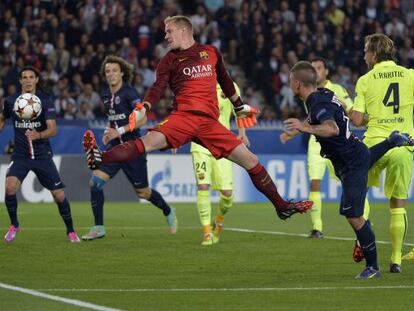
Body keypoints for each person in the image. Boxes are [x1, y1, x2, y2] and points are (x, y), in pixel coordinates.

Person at [82, 15, 313, 222]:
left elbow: (225, 80)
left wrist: (239, 106)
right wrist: (146, 105)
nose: (165, 36)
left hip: (210, 124)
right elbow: (157, 87)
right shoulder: (168, 61)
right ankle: (100, 158)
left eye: (169, 31)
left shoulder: (210, 52)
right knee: (146, 143)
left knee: (251, 160)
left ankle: (281, 206)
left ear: (183, 30)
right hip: (184, 117)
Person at [283, 61, 414, 278]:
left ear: (297, 84)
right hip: (355, 152)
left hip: (350, 163)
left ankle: (373, 267)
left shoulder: (316, 103)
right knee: (365, 163)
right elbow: (338, 109)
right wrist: (297, 131)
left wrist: (304, 127)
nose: (289, 86)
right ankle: (391, 141)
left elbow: (331, 128)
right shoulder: (323, 93)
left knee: (354, 216)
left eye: (290, 82)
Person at [81, 55, 177, 241]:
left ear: (122, 73)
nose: (111, 74)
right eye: (107, 71)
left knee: (143, 192)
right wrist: (110, 131)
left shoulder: (130, 93)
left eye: (114, 70)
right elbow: (113, 117)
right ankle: (98, 227)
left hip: (133, 147)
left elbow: (142, 117)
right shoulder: (105, 94)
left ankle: (168, 210)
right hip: (115, 148)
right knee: (95, 183)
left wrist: (121, 131)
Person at [349, 34, 414, 273]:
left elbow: (356, 120)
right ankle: (396, 260)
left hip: (375, 144)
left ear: (375, 54)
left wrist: (359, 113)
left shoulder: (365, 80)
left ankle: (361, 234)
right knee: (398, 204)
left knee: (359, 189)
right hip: (403, 145)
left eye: (366, 51)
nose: (364, 55)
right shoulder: (410, 76)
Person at [0, 66, 80, 243]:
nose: (28, 80)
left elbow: (53, 130)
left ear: (36, 80)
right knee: (10, 186)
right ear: (20, 81)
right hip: (20, 155)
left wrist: (38, 134)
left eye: (31, 77)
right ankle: (14, 225)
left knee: (59, 195)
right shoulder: (11, 101)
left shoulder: (45, 101)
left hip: (42, 155)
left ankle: (71, 231)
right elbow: (3, 117)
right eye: (24, 77)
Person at [306, 57, 371, 242]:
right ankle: (316, 228)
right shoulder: (309, 91)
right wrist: (292, 132)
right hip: (316, 141)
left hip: (338, 143)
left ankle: (364, 218)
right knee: (314, 183)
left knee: (350, 182)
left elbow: (351, 111)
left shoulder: (337, 89)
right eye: (312, 69)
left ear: (326, 71)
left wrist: (366, 117)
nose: (315, 71)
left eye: (318, 68)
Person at [191, 82, 249, 245]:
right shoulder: (196, 84)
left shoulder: (230, 86)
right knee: (203, 187)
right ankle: (207, 232)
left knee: (227, 194)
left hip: (222, 144)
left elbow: (239, 111)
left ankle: (219, 220)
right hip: (200, 144)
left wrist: (242, 134)